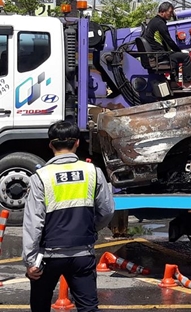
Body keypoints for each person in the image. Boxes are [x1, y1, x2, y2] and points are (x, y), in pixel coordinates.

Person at [23, 121, 115, 312]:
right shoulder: (93, 172)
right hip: (83, 254)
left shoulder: (40, 177)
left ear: (50, 144)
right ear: (77, 143)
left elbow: (34, 223)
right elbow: (106, 211)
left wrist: (31, 261)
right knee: (88, 308)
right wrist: (90, 228)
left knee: (40, 307)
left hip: (48, 255)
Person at [142, 2, 191, 90]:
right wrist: (178, 51)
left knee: (174, 56)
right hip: (159, 55)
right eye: (170, 12)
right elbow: (169, 41)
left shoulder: (153, 21)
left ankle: (173, 83)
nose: (171, 15)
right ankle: (188, 83)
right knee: (185, 57)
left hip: (155, 54)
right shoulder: (160, 24)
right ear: (162, 12)